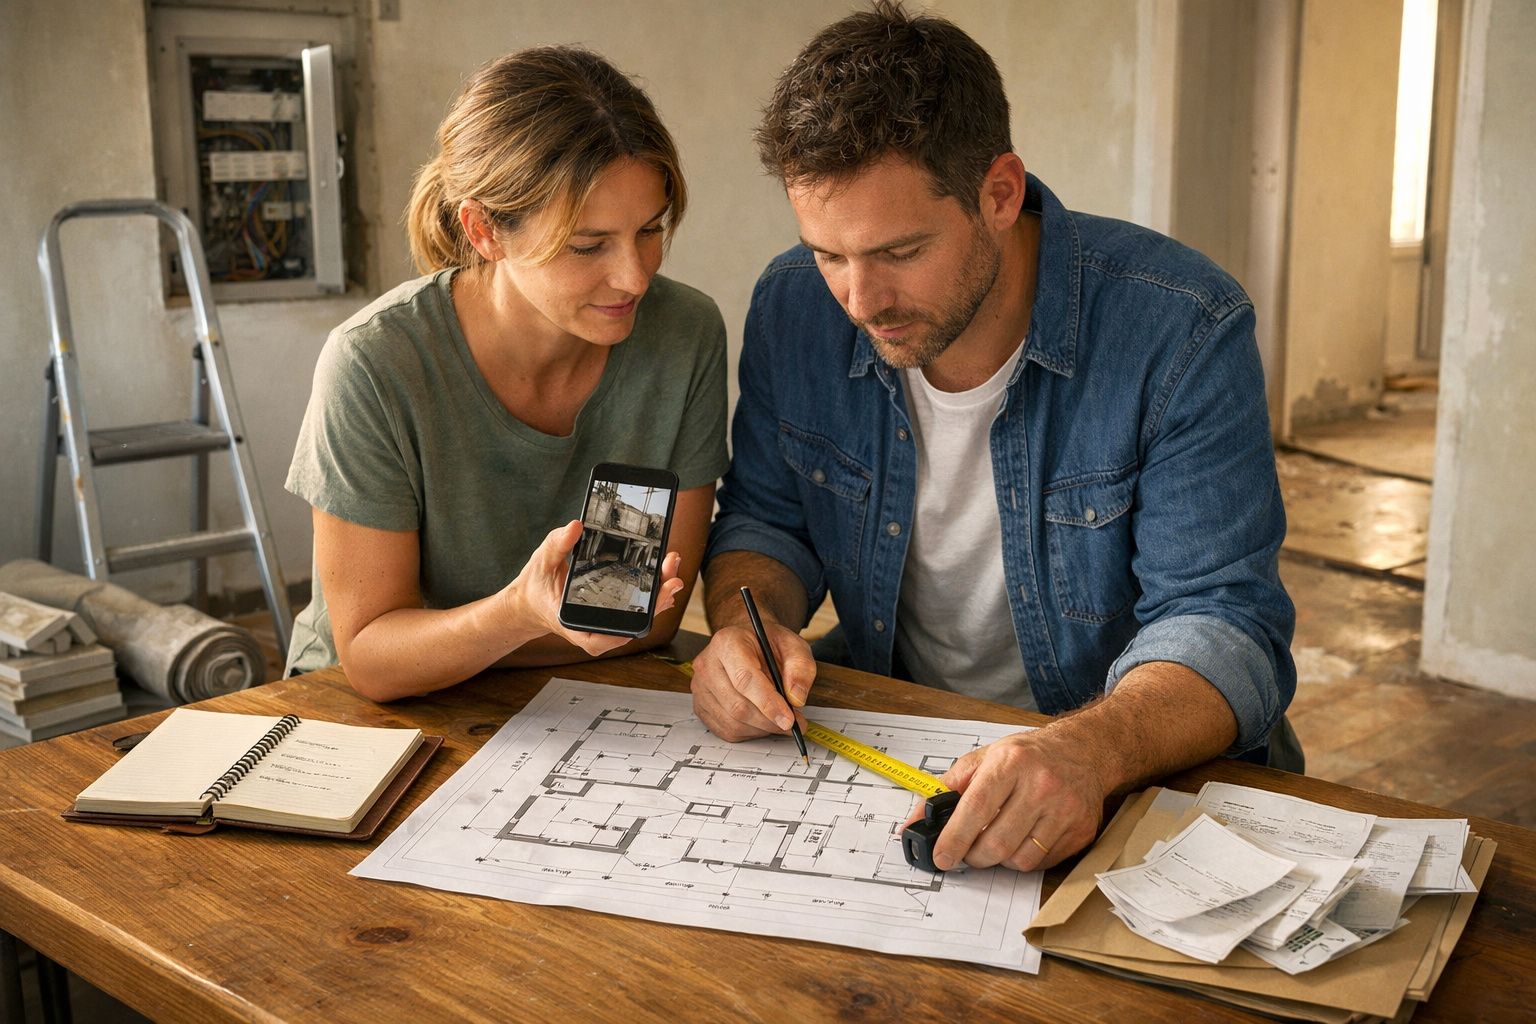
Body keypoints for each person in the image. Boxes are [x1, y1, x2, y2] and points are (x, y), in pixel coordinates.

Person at [691, 2, 1298, 874]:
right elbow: (766, 524)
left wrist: (1088, 751)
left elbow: (1225, 622)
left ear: (1001, 192)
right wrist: (747, 627)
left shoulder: (1181, 327)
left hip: (1136, 772)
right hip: (909, 747)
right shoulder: (793, 304)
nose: (858, 302)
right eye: (828, 253)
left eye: (899, 251)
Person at [285, 47, 728, 700]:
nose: (635, 276)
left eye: (650, 230)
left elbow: (638, 616)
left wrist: (541, 625)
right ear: (484, 229)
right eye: (587, 245)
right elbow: (375, 660)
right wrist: (520, 612)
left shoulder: (680, 337)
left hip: (573, 693)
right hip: (361, 716)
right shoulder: (376, 364)